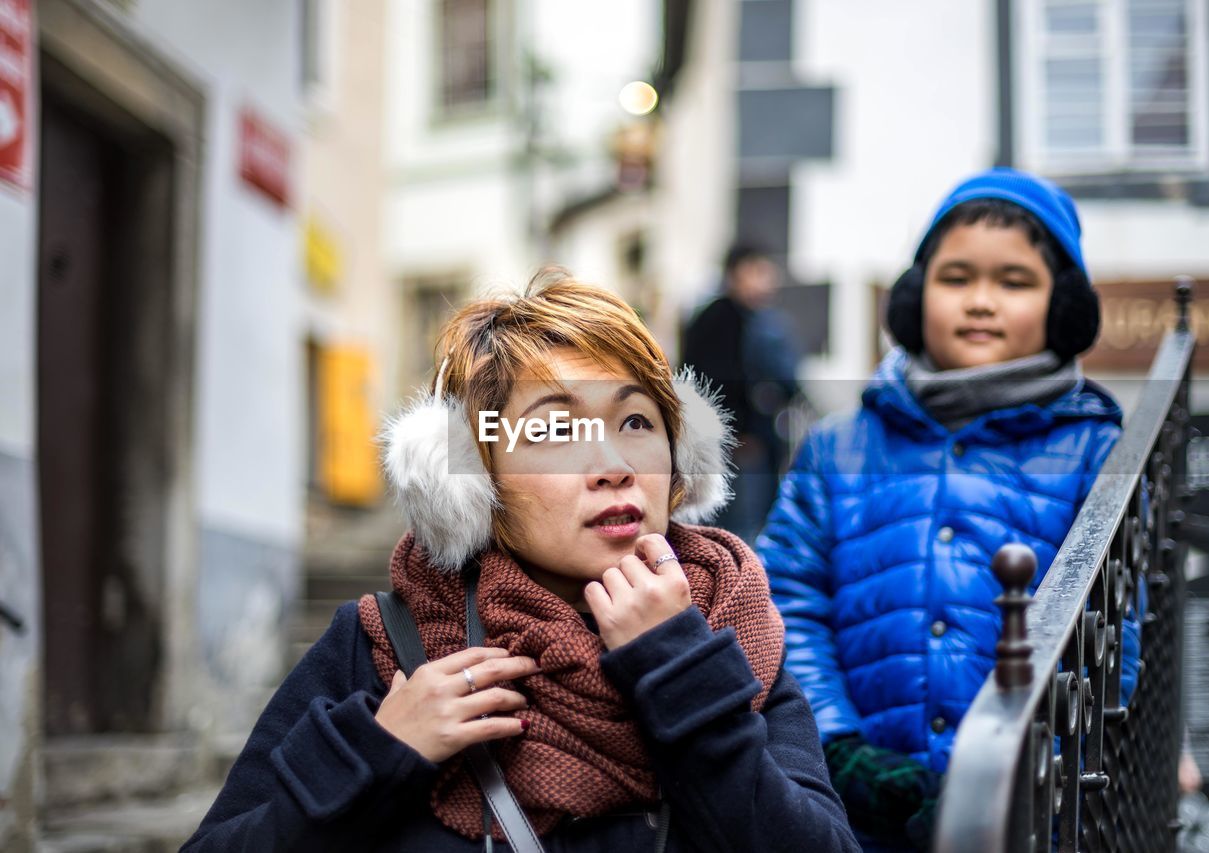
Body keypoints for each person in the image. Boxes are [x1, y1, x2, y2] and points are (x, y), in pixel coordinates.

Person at [183, 271, 860, 852]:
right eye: (555, 429)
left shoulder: (727, 628)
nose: (613, 467)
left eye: (636, 422)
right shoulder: (386, 647)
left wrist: (680, 669)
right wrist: (381, 753)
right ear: (474, 480)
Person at [755, 168, 1144, 851]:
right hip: (860, 819)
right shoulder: (838, 448)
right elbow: (786, 600)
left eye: (1014, 281)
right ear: (916, 294)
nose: (981, 302)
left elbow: (1115, 639)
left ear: (1062, 305)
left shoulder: (1098, 451)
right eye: (956, 277)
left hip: (1035, 820)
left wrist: (1030, 771)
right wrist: (840, 747)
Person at [682, 244, 801, 541]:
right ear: (736, 274)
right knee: (737, 528)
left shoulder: (758, 320)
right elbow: (708, 382)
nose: (767, 282)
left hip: (753, 440)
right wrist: (737, 432)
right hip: (737, 444)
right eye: (758, 272)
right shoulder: (720, 319)